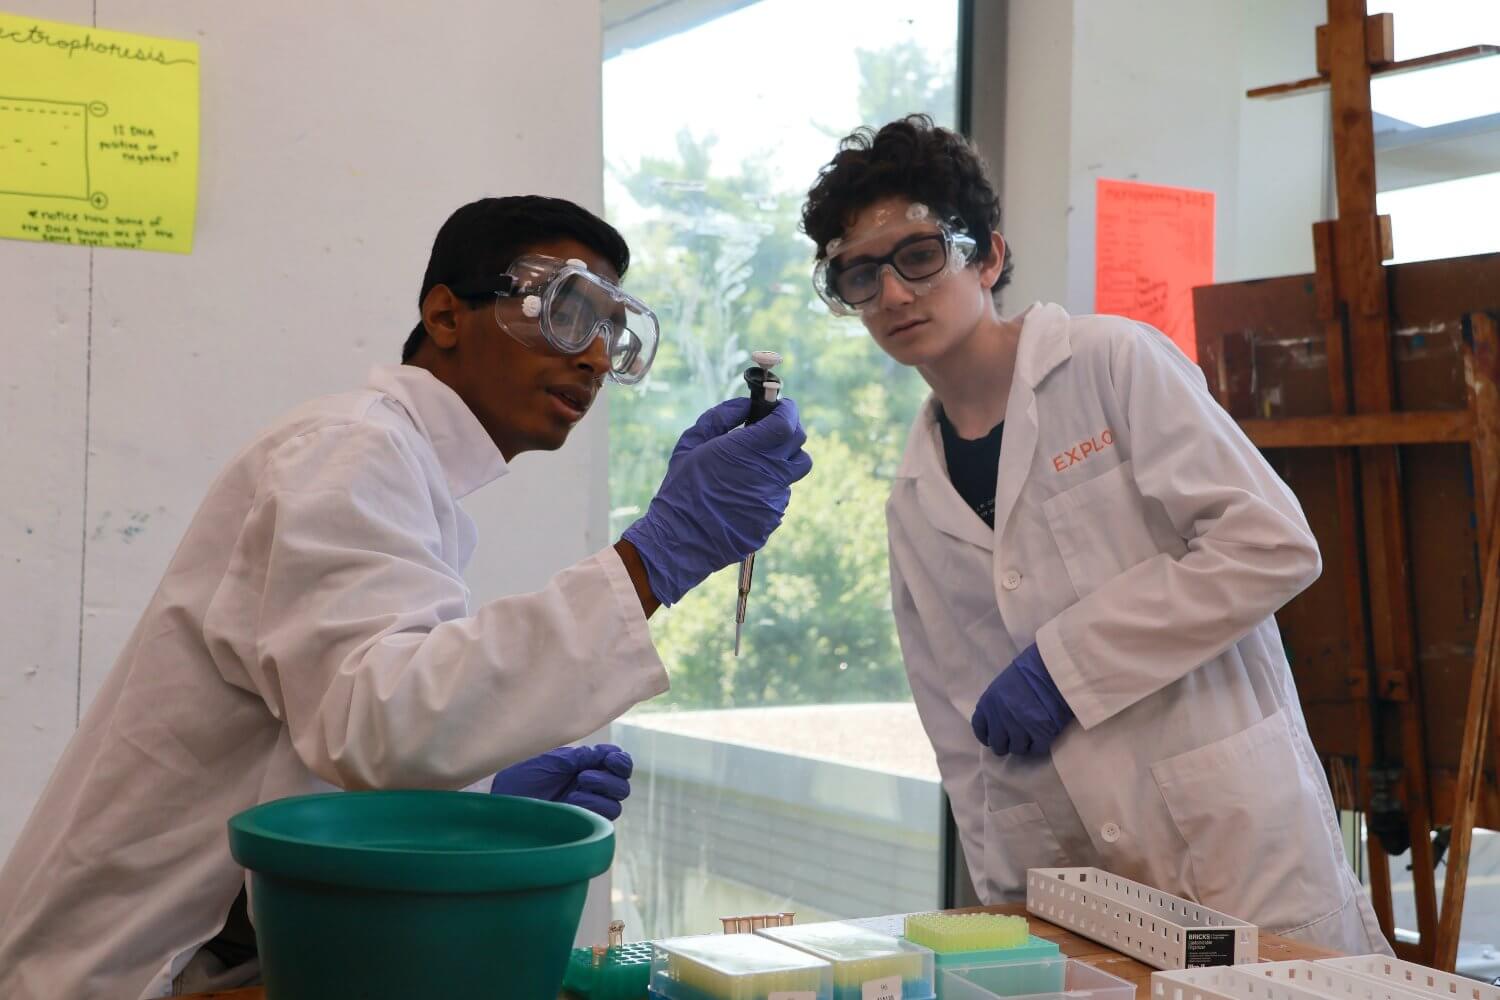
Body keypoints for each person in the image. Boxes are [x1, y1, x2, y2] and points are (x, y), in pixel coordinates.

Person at [0, 195, 813, 999]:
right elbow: (381, 718)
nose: (595, 358)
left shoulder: (402, 475)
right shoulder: (351, 450)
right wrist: (654, 557)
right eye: (568, 312)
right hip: (127, 973)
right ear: (447, 314)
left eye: (611, 332)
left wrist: (472, 802)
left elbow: (331, 734)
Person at [800, 116, 1387, 953]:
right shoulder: (913, 500)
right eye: (860, 274)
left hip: (1234, 849)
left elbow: (1270, 543)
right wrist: (1004, 921)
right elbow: (959, 739)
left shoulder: (1113, 364)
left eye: (919, 256)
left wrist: (1065, 665)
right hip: (1071, 885)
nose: (893, 294)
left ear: (988, 256)